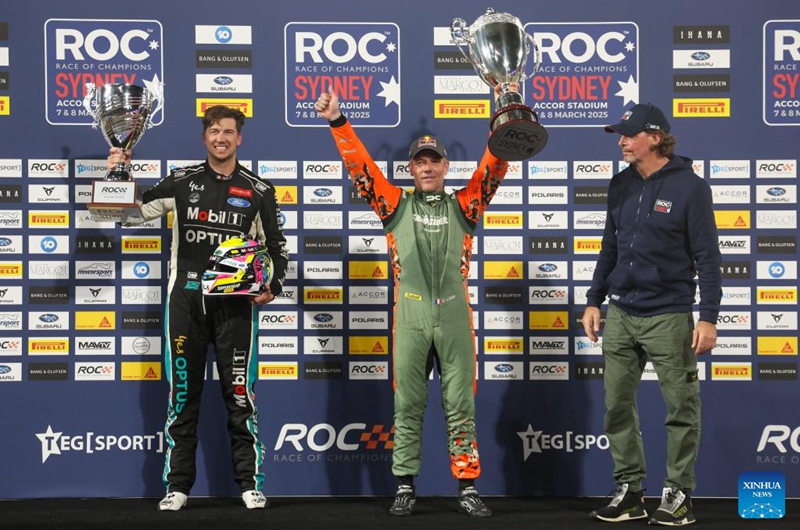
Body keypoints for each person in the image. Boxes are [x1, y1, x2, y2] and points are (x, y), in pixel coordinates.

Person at [315, 84, 516, 517]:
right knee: (407, 402)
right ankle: (405, 483)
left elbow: (494, 166)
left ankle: (466, 485)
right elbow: (360, 167)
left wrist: (506, 108)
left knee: (460, 402)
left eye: (434, 161)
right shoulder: (393, 203)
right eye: (419, 162)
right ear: (410, 168)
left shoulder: (467, 203)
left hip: (455, 315)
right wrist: (337, 121)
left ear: (446, 166)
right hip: (408, 314)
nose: (427, 168)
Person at [107, 105, 289, 511]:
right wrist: (118, 175)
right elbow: (128, 216)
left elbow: (278, 248)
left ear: (239, 138)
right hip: (185, 303)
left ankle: (250, 484)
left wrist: (273, 284)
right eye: (213, 131)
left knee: (241, 397)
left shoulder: (260, 190)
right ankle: (178, 487)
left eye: (228, 131)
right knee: (183, 396)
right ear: (204, 137)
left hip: (236, 308)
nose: (220, 138)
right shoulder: (182, 180)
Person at [581, 103, 722, 526]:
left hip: (669, 314)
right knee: (617, 407)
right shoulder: (620, 183)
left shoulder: (691, 187)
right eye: (620, 135)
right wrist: (594, 299)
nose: (622, 141)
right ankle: (629, 491)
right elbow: (610, 247)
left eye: (630, 134)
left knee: (681, 407)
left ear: (656, 137)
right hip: (621, 312)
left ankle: (678, 493)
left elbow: (708, 259)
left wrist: (708, 316)